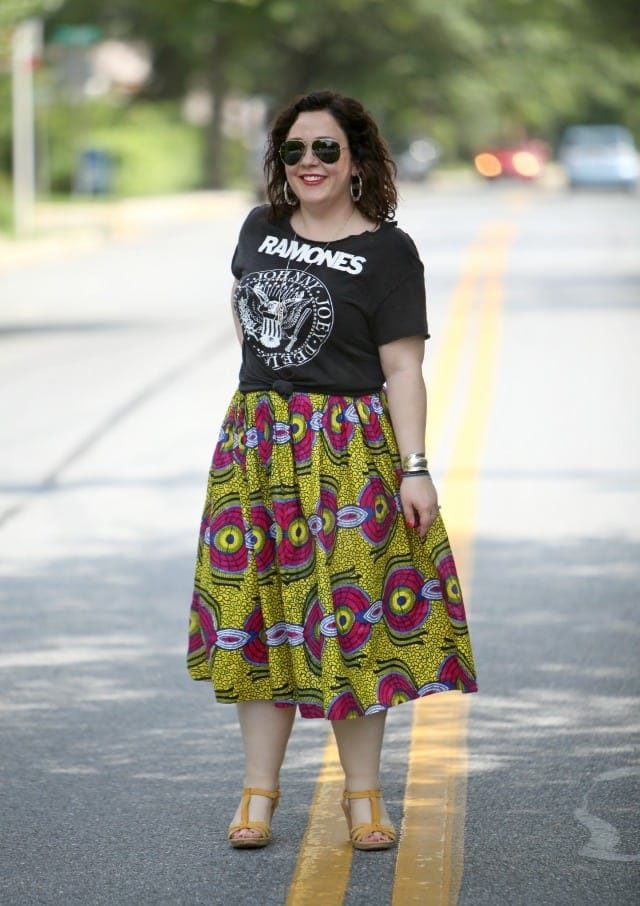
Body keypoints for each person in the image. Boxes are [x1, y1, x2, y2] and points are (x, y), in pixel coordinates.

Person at [186, 90, 477, 851]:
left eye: (325, 149)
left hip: (346, 450)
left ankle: (364, 797)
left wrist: (414, 468)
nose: (309, 163)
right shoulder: (258, 228)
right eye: (294, 150)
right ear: (279, 162)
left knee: (352, 624)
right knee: (259, 619)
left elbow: (404, 369)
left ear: (356, 162)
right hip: (258, 445)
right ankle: (258, 795)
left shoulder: (388, 250)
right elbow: (248, 319)